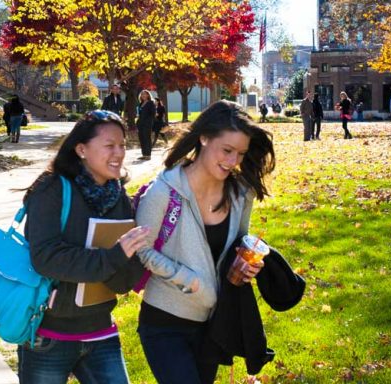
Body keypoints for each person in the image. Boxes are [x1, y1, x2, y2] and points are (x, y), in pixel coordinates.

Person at [135, 100, 275, 384]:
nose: (233, 161)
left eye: (240, 153)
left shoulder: (240, 194)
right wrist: (188, 279)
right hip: (164, 323)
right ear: (204, 137)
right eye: (226, 150)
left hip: (214, 324)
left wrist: (246, 265)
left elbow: (238, 243)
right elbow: (142, 248)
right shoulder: (164, 191)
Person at [19, 110, 148, 384]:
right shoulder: (52, 189)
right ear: (81, 149)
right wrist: (113, 257)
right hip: (48, 336)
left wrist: (126, 260)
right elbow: (46, 257)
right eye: (109, 145)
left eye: (123, 145)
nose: (119, 153)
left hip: (100, 331)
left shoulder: (118, 197)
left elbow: (124, 278)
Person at [136, 90, 156, 160]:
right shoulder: (141, 103)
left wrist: (148, 122)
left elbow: (153, 114)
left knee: (147, 138)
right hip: (140, 123)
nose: (143, 95)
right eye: (142, 94)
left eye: (145, 94)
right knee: (141, 138)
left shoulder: (151, 103)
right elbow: (139, 114)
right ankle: (144, 154)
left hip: (147, 124)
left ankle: (148, 155)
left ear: (148, 95)